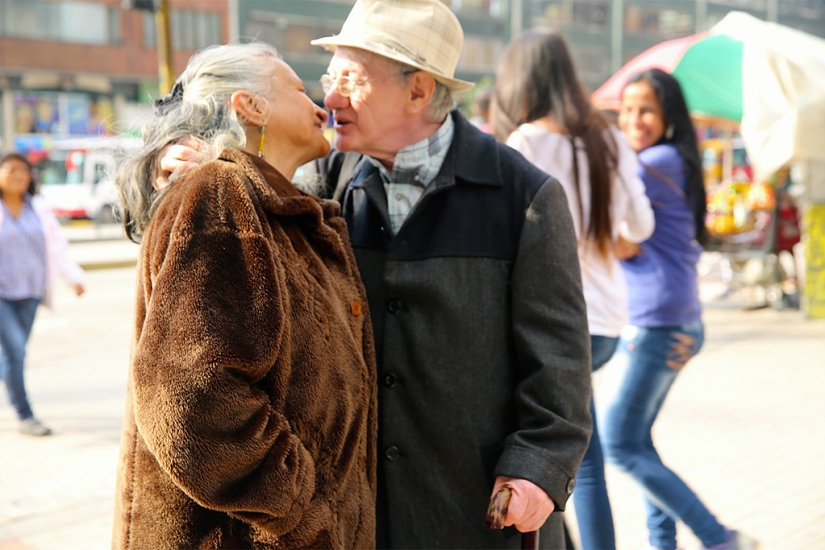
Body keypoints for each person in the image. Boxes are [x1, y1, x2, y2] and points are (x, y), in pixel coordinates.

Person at [160, 1, 592, 548]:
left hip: (479, 512)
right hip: (354, 520)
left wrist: (537, 468)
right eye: (328, 77)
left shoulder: (524, 198)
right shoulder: (318, 182)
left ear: (418, 90)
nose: (331, 97)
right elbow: (197, 232)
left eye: (351, 79)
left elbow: (560, 370)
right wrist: (164, 169)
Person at [111, 42, 378, 549]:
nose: (319, 105)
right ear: (250, 106)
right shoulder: (221, 195)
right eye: (299, 89)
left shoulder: (282, 207)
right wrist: (303, 511)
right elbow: (190, 400)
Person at [492, 29, 655, 550]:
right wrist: (603, 239)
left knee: (576, 460)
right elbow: (641, 227)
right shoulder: (606, 137)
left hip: (558, 323)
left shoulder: (527, 142)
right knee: (585, 449)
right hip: (608, 319)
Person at [599, 68, 758, 550]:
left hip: (656, 324)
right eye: (626, 110)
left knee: (619, 445)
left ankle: (719, 537)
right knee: (638, 442)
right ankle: (662, 543)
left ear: (668, 116)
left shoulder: (651, 163)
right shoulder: (674, 160)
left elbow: (619, 240)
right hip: (675, 318)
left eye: (645, 109)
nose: (633, 119)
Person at [0, 152, 85, 437]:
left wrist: (74, 277)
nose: (17, 176)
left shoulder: (38, 207)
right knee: (16, 352)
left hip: (31, 293)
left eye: (23, 171)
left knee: (12, 354)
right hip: (1, 294)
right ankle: (26, 415)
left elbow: (57, 247)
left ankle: (13, 389)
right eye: (10, 170)